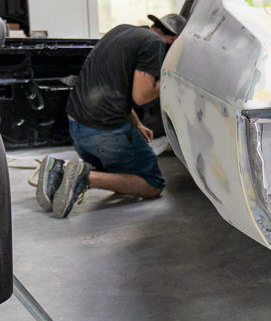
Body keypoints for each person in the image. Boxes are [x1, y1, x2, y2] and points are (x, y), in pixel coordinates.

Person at [35, 13, 186, 218]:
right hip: (103, 132)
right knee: (152, 184)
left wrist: (137, 124)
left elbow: (113, 87)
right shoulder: (154, 43)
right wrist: (173, 78)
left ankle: (58, 170)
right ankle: (84, 176)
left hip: (78, 128)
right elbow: (141, 95)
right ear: (175, 39)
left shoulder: (121, 30)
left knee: (124, 174)